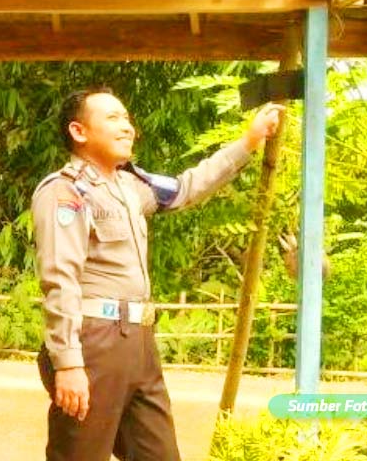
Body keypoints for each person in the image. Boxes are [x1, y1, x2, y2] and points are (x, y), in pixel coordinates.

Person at [32, 87, 283, 461]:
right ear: (78, 131)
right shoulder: (67, 191)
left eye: (127, 118)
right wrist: (68, 363)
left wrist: (247, 142)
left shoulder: (131, 186)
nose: (127, 127)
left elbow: (186, 188)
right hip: (94, 341)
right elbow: (60, 278)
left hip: (139, 342)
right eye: (113, 118)